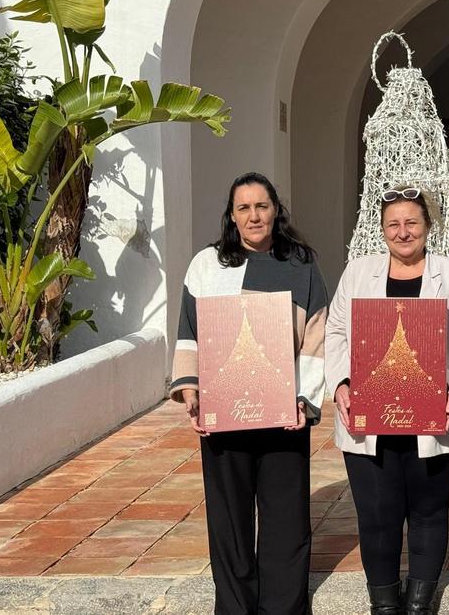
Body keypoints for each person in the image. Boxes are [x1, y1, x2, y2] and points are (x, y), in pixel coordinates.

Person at [170, 171, 327, 615]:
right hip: (227, 414)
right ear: (232, 216)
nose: (254, 215)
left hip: (285, 414)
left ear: (276, 211)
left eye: (262, 206)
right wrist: (192, 391)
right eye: (244, 208)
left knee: (286, 520)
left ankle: (284, 607)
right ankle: (236, 607)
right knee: (230, 521)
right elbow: (189, 330)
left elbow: (318, 335)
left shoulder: (301, 264)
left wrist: (306, 400)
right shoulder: (206, 265)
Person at [325, 186, 449, 615]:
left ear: (429, 226)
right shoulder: (358, 272)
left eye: (412, 222)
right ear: (381, 230)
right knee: (377, 515)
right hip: (369, 417)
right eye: (393, 223)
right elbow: (336, 331)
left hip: (435, 415)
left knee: (429, 513)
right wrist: (340, 382)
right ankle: (385, 605)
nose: (403, 231)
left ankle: (419, 602)